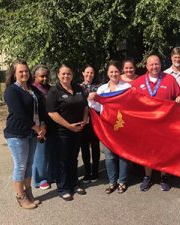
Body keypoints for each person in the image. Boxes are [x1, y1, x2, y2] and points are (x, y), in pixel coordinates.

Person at [132, 54, 180, 192]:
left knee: (163, 151)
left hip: (165, 124)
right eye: (151, 64)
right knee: (147, 152)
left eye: (157, 64)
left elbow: (179, 94)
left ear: (160, 64)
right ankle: (148, 177)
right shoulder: (138, 82)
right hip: (146, 125)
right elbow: (129, 99)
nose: (154, 67)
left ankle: (164, 176)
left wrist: (179, 98)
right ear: (146, 66)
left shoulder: (170, 79)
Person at [4, 59, 46, 209]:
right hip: (17, 133)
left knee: (29, 165)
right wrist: (36, 127)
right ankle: (20, 196)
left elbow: (41, 108)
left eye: (26, 71)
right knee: (20, 166)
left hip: (32, 132)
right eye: (20, 71)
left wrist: (43, 126)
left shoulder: (32, 89)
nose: (24, 73)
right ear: (14, 74)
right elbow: (19, 113)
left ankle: (28, 192)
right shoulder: (11, 91)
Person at [47, 63, 88, 201]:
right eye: (63, 73)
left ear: (72, 75)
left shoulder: (79, 88)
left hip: (77, 129)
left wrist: (84, 120)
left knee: (73, 158)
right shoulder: (54, 91)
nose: (66, 76)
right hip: (61, 132)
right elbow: (52, 113)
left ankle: (74, 184)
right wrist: (69, 126)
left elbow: (85, 106)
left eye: (68, 73)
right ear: (58, 75)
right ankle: (63, 187)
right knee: (63, 160)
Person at [88, 60, 131, 194]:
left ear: (120, 73)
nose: (114, 74)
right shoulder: (101, 89)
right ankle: (112, 182)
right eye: (111, 71)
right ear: (107, 73)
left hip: (123, 126)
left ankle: (122, 181)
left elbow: (132, 107)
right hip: (107, 127)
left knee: (123, 155)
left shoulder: (127, 88)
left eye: (116, 71)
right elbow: (97, 107)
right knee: (109, 155)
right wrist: (91, 99)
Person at [31, 65, 52, 190]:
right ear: (35, 76)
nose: (45, 78)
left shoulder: (49, 88)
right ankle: (40, 179)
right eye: (42, 76)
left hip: (51, 124)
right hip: (38, 124)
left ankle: (49, 175)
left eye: (46, 76)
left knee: (49, 152)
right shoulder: (33, 90)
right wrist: (39, 126)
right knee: (40, 154)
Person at [80, 65, 100, 184]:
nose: (89, 75)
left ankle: (95, 171)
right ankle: (87, 171)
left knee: (95, 147)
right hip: (83, 122)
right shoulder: (78, 87)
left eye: (91, 73)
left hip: (95, 121)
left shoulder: (99, 87)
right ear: (83, 73)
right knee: (84, 148)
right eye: (87, 73)